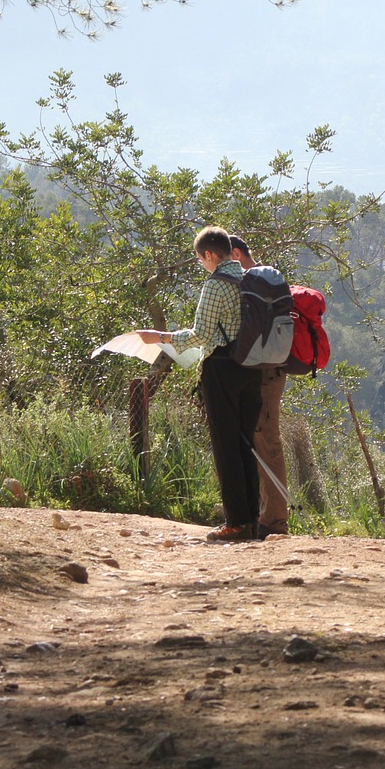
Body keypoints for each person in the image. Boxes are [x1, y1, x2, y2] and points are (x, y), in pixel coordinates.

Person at [137, 226, 263, 543]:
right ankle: (253, 520)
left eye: (200, 259)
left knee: (225, 446)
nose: (203, 265)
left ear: (209, 254)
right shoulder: (252, 278)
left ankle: (236, 523)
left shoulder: (216, 284)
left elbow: (201, 336)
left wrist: (160, 338)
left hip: (221, 368)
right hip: (254, 368)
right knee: (246, 443)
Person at [229, 234, 291, 538]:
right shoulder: (270, 282)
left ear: (237, 254)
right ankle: (261, 516)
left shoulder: (254, 284)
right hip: (273, 372)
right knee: (259, 444)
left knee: (267, 444)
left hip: (263, 376)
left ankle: (275, 522)